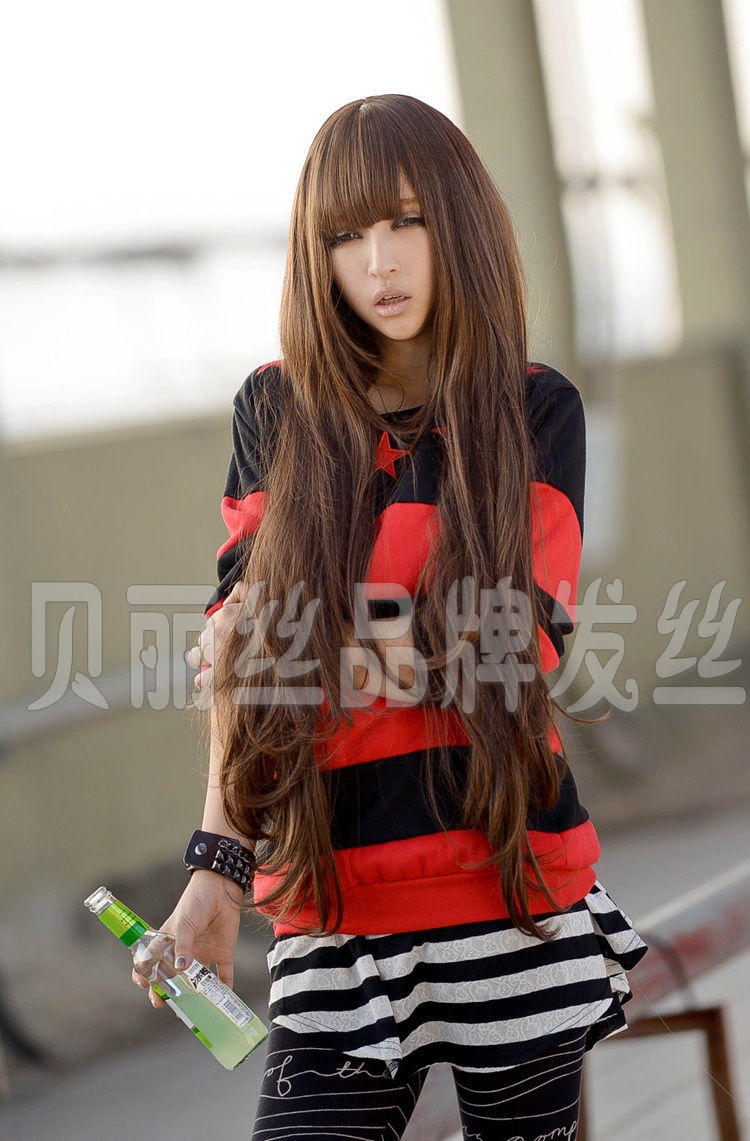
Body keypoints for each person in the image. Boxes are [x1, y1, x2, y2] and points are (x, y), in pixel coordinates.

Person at [133, 94, 648, 1139]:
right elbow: (242, 663)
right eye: (345, 234)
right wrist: (216, 872)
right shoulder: (274, 410)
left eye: (406, 220)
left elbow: (513, 646)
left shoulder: (532, 407)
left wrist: (306, 642)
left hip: (506, 900)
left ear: (457, 221)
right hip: (329, 917)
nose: (380, 262)